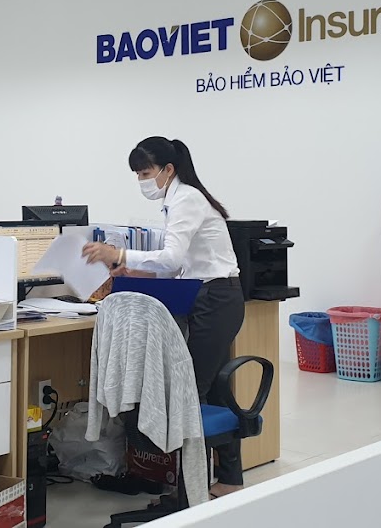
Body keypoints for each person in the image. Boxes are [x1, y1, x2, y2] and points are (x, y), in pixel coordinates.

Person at [82, 137, 246, 498]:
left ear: (168, 169)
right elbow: (178, 265)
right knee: (214, 389)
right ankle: (226, 479)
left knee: (189, 392)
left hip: (216, 299)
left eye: (145, 173)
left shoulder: (186, 198)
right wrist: (136, 271)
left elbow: (172, 258)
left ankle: (188, 489)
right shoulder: (177, 199)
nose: (142, 181)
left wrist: (118, 253)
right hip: (211, 297)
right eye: (137, 175)